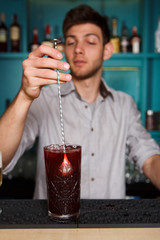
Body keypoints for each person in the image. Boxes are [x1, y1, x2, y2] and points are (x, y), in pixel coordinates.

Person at [0, 5, 160, 199]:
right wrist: (24, 96)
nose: (78, 49)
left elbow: (149, 158)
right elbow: (2, 159)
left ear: (107, 50)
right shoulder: (45, 99)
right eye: (70, 42)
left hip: (108, 223)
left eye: (90, 41)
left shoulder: (124, 104)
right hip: (52, 225)